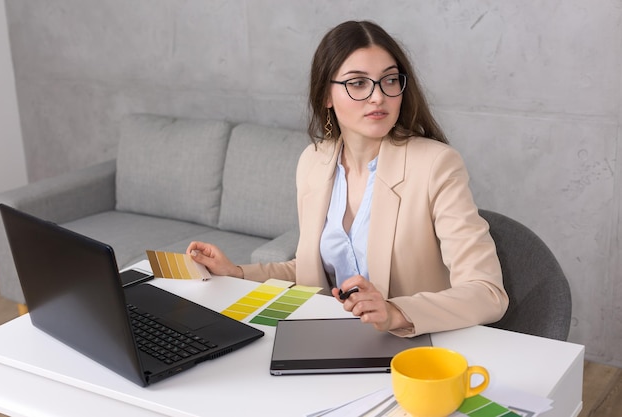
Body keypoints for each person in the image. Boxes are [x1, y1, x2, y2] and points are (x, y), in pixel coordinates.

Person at [187, 20, 508, 337]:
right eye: (357, 83)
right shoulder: (313, 162)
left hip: (412, 345)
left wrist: (396, 312)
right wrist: (237, 273)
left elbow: (486, 292)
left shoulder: (436, 164)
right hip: (333, 334)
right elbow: (312, 269)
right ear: (326, 95)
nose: (378, 97)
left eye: (390, 80)